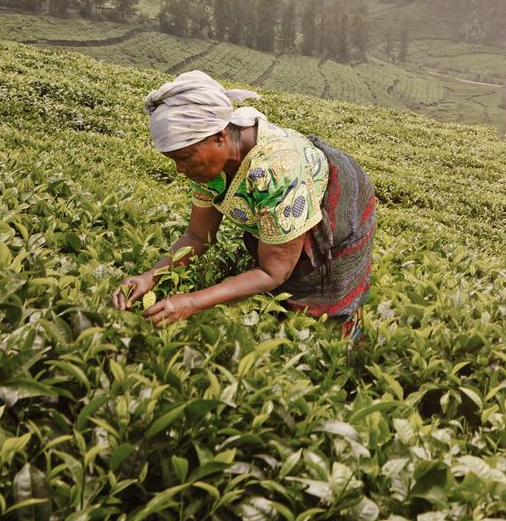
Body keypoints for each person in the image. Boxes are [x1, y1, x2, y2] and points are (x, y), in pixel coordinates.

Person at [111, 71, 376, 340]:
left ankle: (350, 340)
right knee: (275, 272)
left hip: (337, 196)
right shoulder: (206, 167)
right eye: (174, 160)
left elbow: (273, 271)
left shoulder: (275, 169)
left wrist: (192, 302)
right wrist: (151, 276)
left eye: (185, 157)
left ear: (220, 136)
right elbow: (199, 236)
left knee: (318, 293)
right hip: (283, 198)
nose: (180, 169)